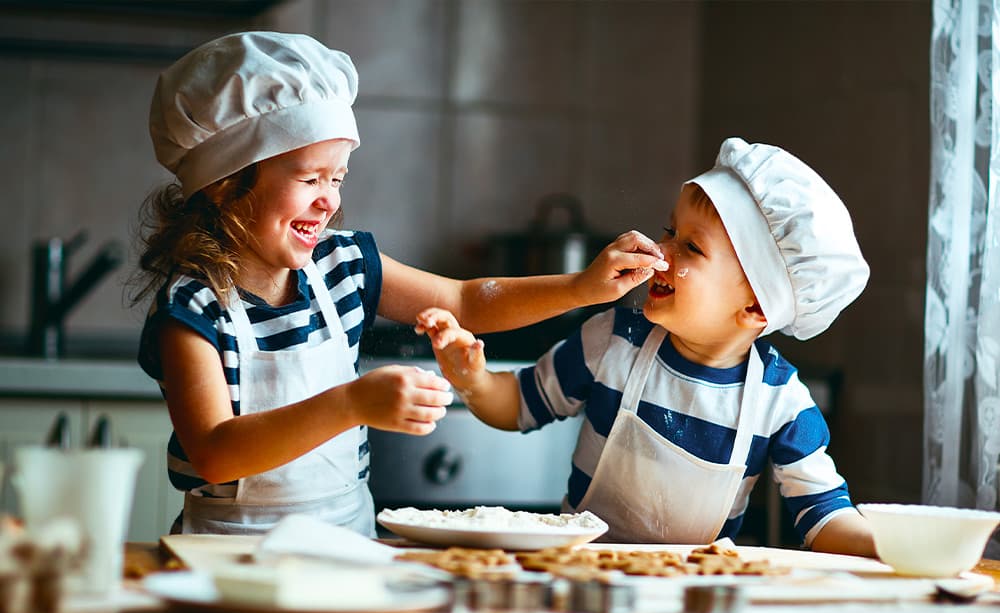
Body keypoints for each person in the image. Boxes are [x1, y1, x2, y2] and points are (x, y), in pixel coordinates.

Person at [133, 31, 668, 537]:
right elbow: (213, 451)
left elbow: (465, 300)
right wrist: (349, 404)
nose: (330, 200)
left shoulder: (344, 265)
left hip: (345, 544)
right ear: (227, 185)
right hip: (225, 556)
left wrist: (580, 288)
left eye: (337, 178)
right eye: (310, 178)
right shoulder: (193, 306)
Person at [417, 137, 877, 557]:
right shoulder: (613, 340)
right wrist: (472, 379)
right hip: (581, 582)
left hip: (693, 600)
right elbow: (517, 405)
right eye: (669, 231)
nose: (661, 251)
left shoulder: (781, 402)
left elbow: (825, 518)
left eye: (691, 248)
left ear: (756, 305)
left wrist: (892, 545)